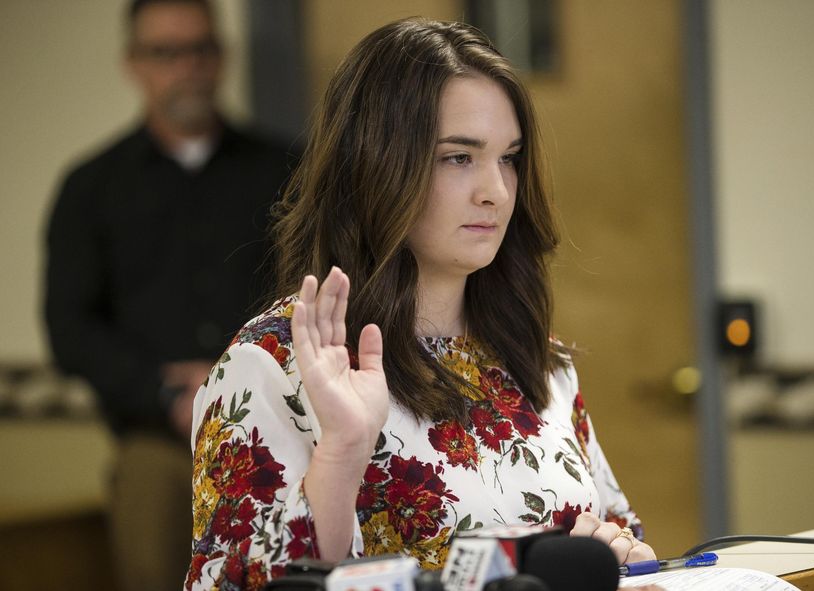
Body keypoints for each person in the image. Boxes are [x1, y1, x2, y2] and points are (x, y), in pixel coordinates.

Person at [186, 17, 656, 591]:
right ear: (375, 165)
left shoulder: (537, 356)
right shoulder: (271, 363)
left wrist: (619, 553)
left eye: (508, 158)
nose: (496, 191)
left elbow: (624, 537)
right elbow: (233, 583)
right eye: (458, 157)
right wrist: (343, 452)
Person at [44, 1, 293, 589]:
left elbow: (318, 291)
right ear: (134, 63)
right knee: (149, 527)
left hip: (272, 423)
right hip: (156, 434)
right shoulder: (92, 187)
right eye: (166, 52)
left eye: (201, 49)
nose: (187, 67)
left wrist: (233, 379)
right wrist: (164, 392)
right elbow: (70, 326)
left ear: (221, 57)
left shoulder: (286, 170)